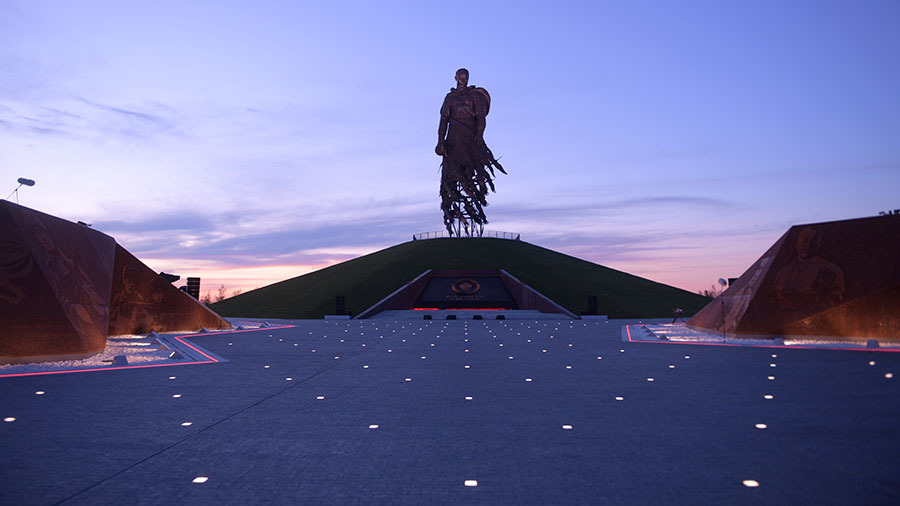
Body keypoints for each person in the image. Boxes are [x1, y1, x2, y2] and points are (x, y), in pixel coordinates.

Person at [435, 68, 505, 235]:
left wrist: (479, 134)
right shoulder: (450, 98)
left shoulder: (475, 96)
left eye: (465, 78)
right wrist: (440, 141)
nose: (463, 81)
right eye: (460, 78)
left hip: (470, 137)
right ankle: (453, 212)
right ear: (455, 78)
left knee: (472, 172)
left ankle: (476, 203)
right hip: (453, 139)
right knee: (451, 176)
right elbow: (443, 121)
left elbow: (481, 117)